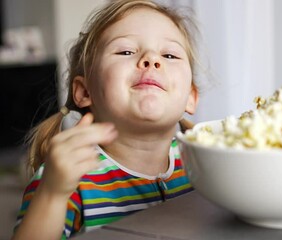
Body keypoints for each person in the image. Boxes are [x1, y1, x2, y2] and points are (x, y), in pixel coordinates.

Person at [12, 0, 199, 239]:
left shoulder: (201, 162)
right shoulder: (67, 176)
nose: (152, 59)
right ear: (84, 92)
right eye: (126, 51)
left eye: (170, 54)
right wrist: (53, 192)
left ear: (190, 98)